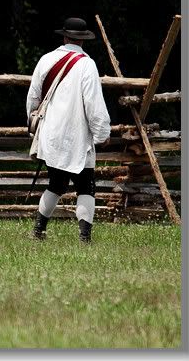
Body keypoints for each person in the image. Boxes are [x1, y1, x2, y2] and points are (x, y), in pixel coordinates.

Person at [26, 17, 111, 243]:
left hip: (52, 135)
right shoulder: (87, 64)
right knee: (86, 186)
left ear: (64, 37)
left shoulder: (46, 59)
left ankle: (38, 230)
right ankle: (84, 237)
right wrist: (102, 133)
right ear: (83, 40)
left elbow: (33, 98)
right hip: (78, 136)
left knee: (56, 184)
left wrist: (35, 126)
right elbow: (94, 104)